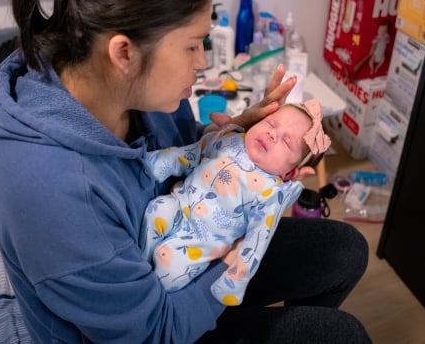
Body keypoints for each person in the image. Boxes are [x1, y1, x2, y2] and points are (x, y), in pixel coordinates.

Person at [0, 0, 370, 344]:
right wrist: (239, 263)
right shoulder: (50, 188)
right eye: (192, 45)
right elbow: (155, 333)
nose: (202, 63)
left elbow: (183, 150)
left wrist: (238, 143)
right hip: (150, 322)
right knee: (340, 336)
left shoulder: (139, 93)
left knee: (346, 250)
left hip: (192, 241)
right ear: (124, 52)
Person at [141, 100, 331, 306]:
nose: (272, 134)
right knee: (157, 210)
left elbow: (257, 241)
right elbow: (194, 152)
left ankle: (148, 298)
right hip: (178, 202)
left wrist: (235, 279)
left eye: (286, 142)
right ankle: (140, 264)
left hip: (202, 241)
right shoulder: (229, 138)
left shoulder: (271, 194)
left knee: (168, 263)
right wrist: (162, 162)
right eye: (270, 123)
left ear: (290, 172)